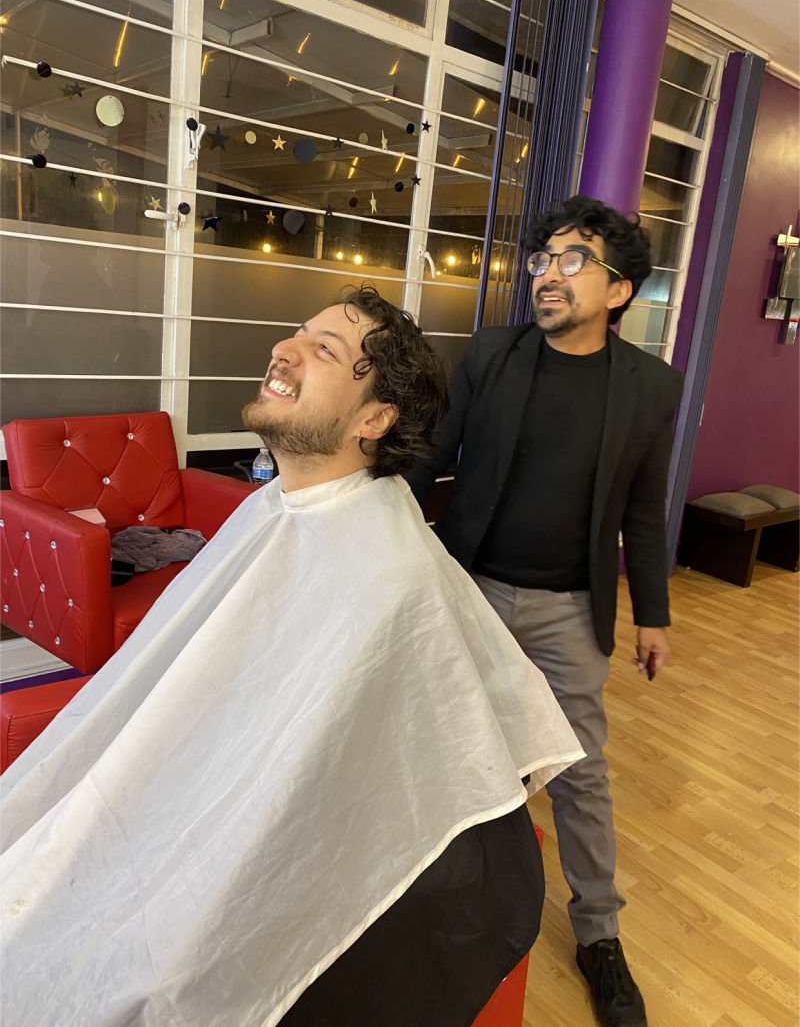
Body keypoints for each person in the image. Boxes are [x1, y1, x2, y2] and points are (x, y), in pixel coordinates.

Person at [0, 286, 582, 1027]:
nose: (284, 350)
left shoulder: (388, 573)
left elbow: (311, 778)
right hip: (182, 790)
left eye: (323, 350)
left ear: (374, 419)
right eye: (297, 333)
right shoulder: (273, 509)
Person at [407, 197, 684, 1027]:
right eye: (542, 259)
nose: (547, 274)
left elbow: (643, 509)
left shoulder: (651, 388)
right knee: (449, 745)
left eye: (572, 260)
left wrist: (655, 614)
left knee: (580, 772)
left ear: (619, 290)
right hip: (472, 590)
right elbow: (432, 456)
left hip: (571, 608)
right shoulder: (493, 353)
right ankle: (428, 897)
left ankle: (599, 934)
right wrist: (375, 531)